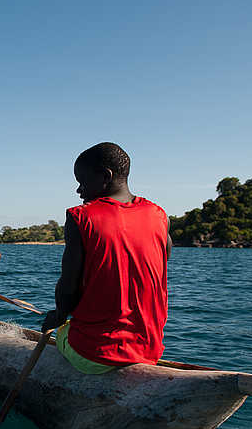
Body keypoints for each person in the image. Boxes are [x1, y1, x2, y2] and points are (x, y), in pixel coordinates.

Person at [41, 142, 171, 373]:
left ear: (105, 176)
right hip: (150, 350)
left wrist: (59, 316)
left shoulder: (80, 217)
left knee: (63, 332)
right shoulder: (160, 216)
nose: (79, 190)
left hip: (96, 354)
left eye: (82, 182)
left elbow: (68, 286)